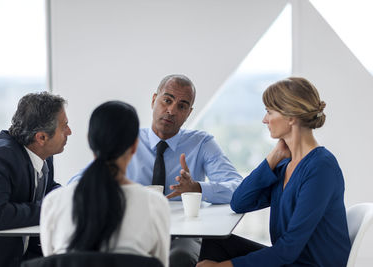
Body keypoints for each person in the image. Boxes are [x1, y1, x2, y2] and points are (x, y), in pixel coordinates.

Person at [68, 74, 243, 267]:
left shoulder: (201, 143)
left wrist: (197, 188)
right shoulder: (129, 138)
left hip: (183, 233)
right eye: (167, 100)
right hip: (130, 226)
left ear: (189, 113)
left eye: (182, 106)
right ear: (154, 100)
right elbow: (78, 182)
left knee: (179, 258)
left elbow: (237, 188)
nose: (171, 110)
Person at [197, 77, 351, 267]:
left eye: (269, 112)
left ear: (291, 117)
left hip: (305, 264)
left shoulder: (321, 168)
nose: (264, 119)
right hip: (289, 260)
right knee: (214, 243)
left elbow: (287, 250)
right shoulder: (285, 163)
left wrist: (224, 266)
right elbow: (239, 202)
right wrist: (274, 156)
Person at [40, 101, 170, 266]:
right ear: (135, 146)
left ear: (89, 141)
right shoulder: (155, 204)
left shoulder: (54, 202)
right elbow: (160, 263)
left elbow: (53, 261)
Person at [0, 92, 71, 267]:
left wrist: (65, 197)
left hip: (26, 258)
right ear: (41, 137)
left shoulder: (43, 153)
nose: (69, 132)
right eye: (64, 126)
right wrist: (52, 208)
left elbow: (47, 187)